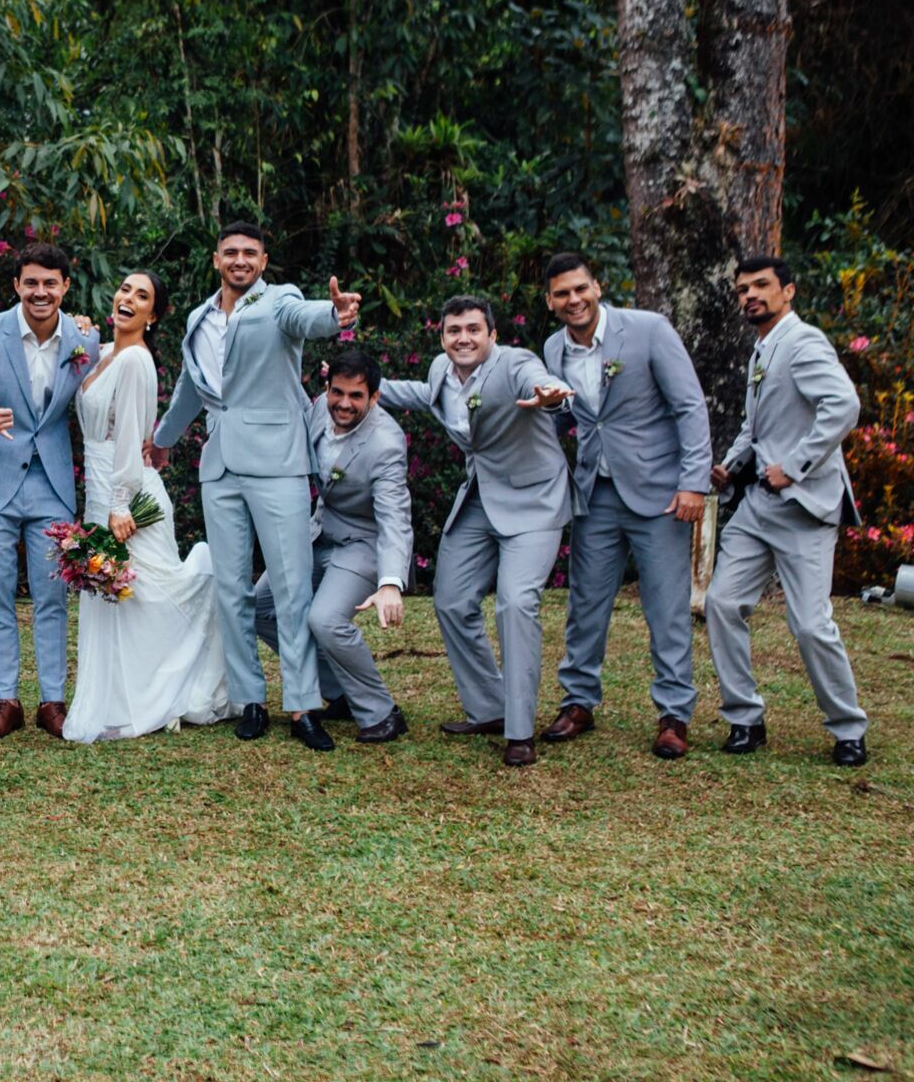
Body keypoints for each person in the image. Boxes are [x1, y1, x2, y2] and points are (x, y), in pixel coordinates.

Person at [145, 223, 362, 752]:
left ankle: (304, 704)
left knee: (291, 590)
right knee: (231, 589)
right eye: (230, 253)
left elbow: (305, 318)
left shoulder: (279, 301)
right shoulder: (198, 319)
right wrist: (162, 439)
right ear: (216, 259)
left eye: (250, 253)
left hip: (279, 464)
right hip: (218, 467)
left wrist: (334, 315)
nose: (240, 260)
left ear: (263, 261)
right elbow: (191, 390)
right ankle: (250, 701)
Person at [378, 295, 575, 767]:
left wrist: (551, 392)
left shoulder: (515, 364)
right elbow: (418, 395)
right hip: (480, 501)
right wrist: (359, 384)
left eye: (472, 329)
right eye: (453, 331)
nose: (462, 338)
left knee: (515, 602)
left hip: (533, 503)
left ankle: (520, 731)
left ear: (492, 333)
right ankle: (490, 708)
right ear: (442, 336)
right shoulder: (439, 372)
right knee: (449, 599)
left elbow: (538, 379)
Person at [539, 253, 711, 759]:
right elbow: (568, 419)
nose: (573, 300)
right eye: (561, 294)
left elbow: (689, 406)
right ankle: (578, 702)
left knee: (666, 606)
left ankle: (674, 714)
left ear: (597, 286)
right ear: (549, 302)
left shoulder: (648, 330)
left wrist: (693, 483)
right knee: (585, 603)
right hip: (595, 492)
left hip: (659, 493)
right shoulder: (552, 348)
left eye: (580, 289)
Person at [706, 256, 869, 766]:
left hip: (802, 505)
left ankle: (847, 729)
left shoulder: (803, 341)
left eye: (761, 286)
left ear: (788, 291)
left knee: (810, 625)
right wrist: (731, 464)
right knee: (723, 604)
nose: (750, 295)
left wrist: (794, 466)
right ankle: (744, 720)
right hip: (756, 507)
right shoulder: (761, 348)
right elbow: (757, 428)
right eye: (742, 289)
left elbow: (843, 406)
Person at [62, 271, 230, 742]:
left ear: (153, 316)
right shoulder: (106, 353)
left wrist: (118, 505)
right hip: (101, 488)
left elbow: (131, 436)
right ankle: (118, 697)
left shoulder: (136, 360)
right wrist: (81, 332)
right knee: (117, 598)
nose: (128, 298)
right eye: (124, 289)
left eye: (142, 296)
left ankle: (160, 690)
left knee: (144, 594)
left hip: (129, 494)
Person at [0, 243, 97, 740]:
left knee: (53, 597)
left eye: (50, 283)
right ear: (16, 286)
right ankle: (6, 700)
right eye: (31, 282)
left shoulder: (84, 341)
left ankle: (52, 701)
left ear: (65, 287)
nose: (40, 292)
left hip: (52, 484)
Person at [252, 351, 413, 745]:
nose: (343, 403)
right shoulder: (318, 409)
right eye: (337, 392)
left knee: (325, 620)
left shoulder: (387, 444)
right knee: (256, 606)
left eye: (356, 396)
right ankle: (339, 691)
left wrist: (391, 581)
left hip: (362, 543)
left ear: (374, 397)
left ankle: (382, 712)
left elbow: (395, 517)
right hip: (317, 534)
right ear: (327, 389)